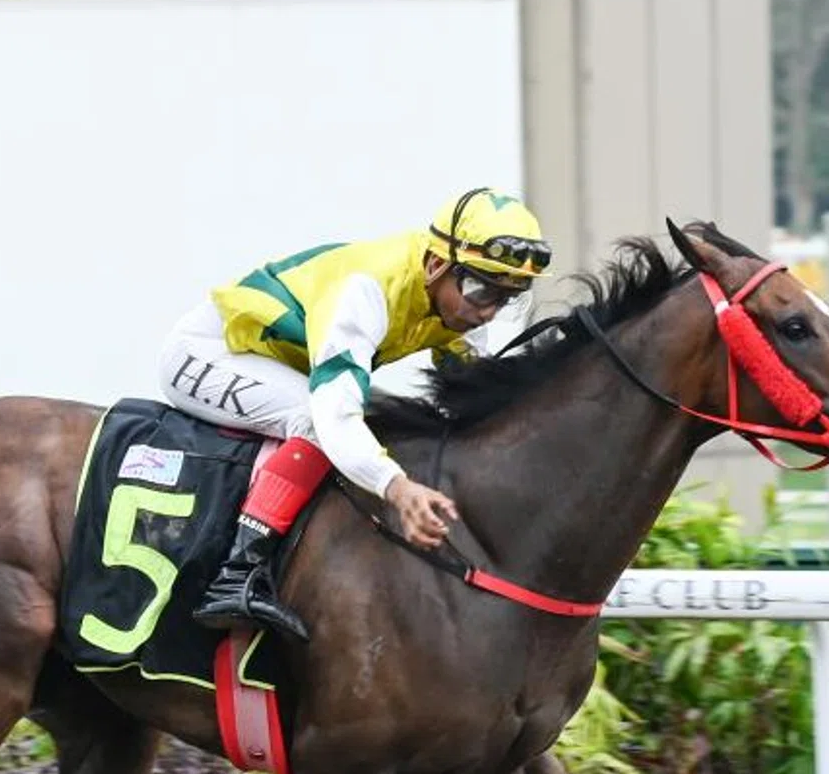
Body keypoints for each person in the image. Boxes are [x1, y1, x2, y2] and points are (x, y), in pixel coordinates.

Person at [156, 187, 553, 643]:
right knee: (317, 421)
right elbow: (337, 418)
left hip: (275, 365)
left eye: (507, 298)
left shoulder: (453, 305)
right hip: (207, 353)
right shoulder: (367, 290)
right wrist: (398, 489)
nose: (487, 311)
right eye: (481, 289)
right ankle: (236, 572)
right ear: (436, 264)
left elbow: (480, 401)